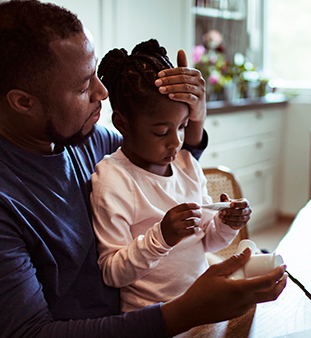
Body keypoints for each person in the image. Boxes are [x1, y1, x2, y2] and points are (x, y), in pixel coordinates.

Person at [0, 1, 286, 337]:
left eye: (95, 74)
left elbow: (160, 165)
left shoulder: (87, 140)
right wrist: (183, 312)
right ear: (23, 102)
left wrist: (194, 115)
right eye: (84, 85)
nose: (101, 92)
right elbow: (29, 334)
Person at [91, 39, 251, 312]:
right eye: (161, 132)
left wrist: (226, 224)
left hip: (202, 306)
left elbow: (207, 242)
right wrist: (161, 238)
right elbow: (112, 272)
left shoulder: (187, 164)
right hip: (153, 318)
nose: (176, 142)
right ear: (122, 124)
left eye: (182, 127)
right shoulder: (113, 180)